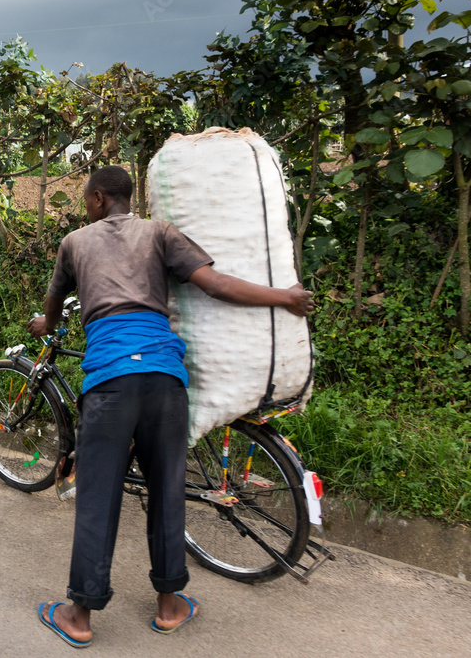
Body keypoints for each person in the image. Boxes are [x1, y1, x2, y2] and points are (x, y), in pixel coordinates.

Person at [30, 166, 313, 647]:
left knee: (98, 497)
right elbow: (217, 285)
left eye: (85, 198)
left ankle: (79, 617)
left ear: (99, 199)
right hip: (165, 381)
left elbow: (55, 302)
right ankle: (169, 606)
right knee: (167, 490)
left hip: (110, 383)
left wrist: (44, 324)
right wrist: (284, 297)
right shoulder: (161, 233)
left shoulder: (75, 243)